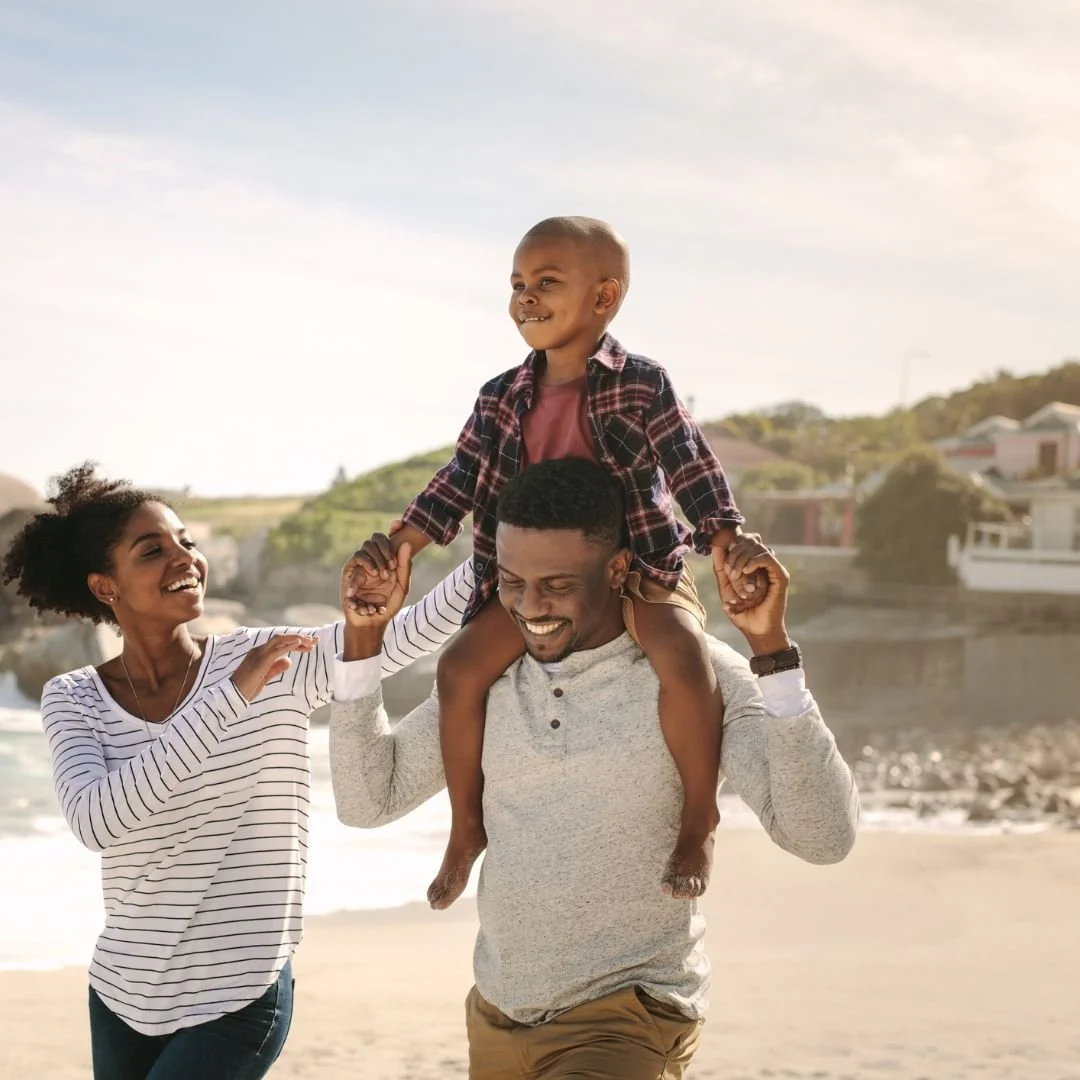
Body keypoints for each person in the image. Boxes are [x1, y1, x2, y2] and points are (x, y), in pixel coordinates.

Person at [331, 457, 859, 1080]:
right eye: (511, 582)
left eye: (555, 585)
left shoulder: (698, 679)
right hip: (498, 1012)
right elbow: (369, 801)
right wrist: (363, 640)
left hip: (628, 1015)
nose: (530, 607)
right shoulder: (489, 681)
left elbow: (824, 838)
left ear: (614, 569)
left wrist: (772, 650)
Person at [1, 463, 473, 1080]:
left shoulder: (269, 658)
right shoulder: (75, 697)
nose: (185, 559)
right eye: (153, 551)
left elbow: (402, 636)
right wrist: (234, 695)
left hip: (238, 993)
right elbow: (99, 820)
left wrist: (501, 549)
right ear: (105, 586)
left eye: (186, 543)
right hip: (123, 993)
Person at [349, 215, 765, 910]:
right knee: (457, 669)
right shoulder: (500, 395)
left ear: (604, 298)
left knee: (684, 658)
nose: (525, 298)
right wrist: (407, 542)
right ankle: (464, 829)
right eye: (516, 284)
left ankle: (699, 821)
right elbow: (458, 478)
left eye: (546, 282)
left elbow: (689, 464)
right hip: (533, 584)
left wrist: (723, 536)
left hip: (636, 569)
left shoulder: (640, 384)